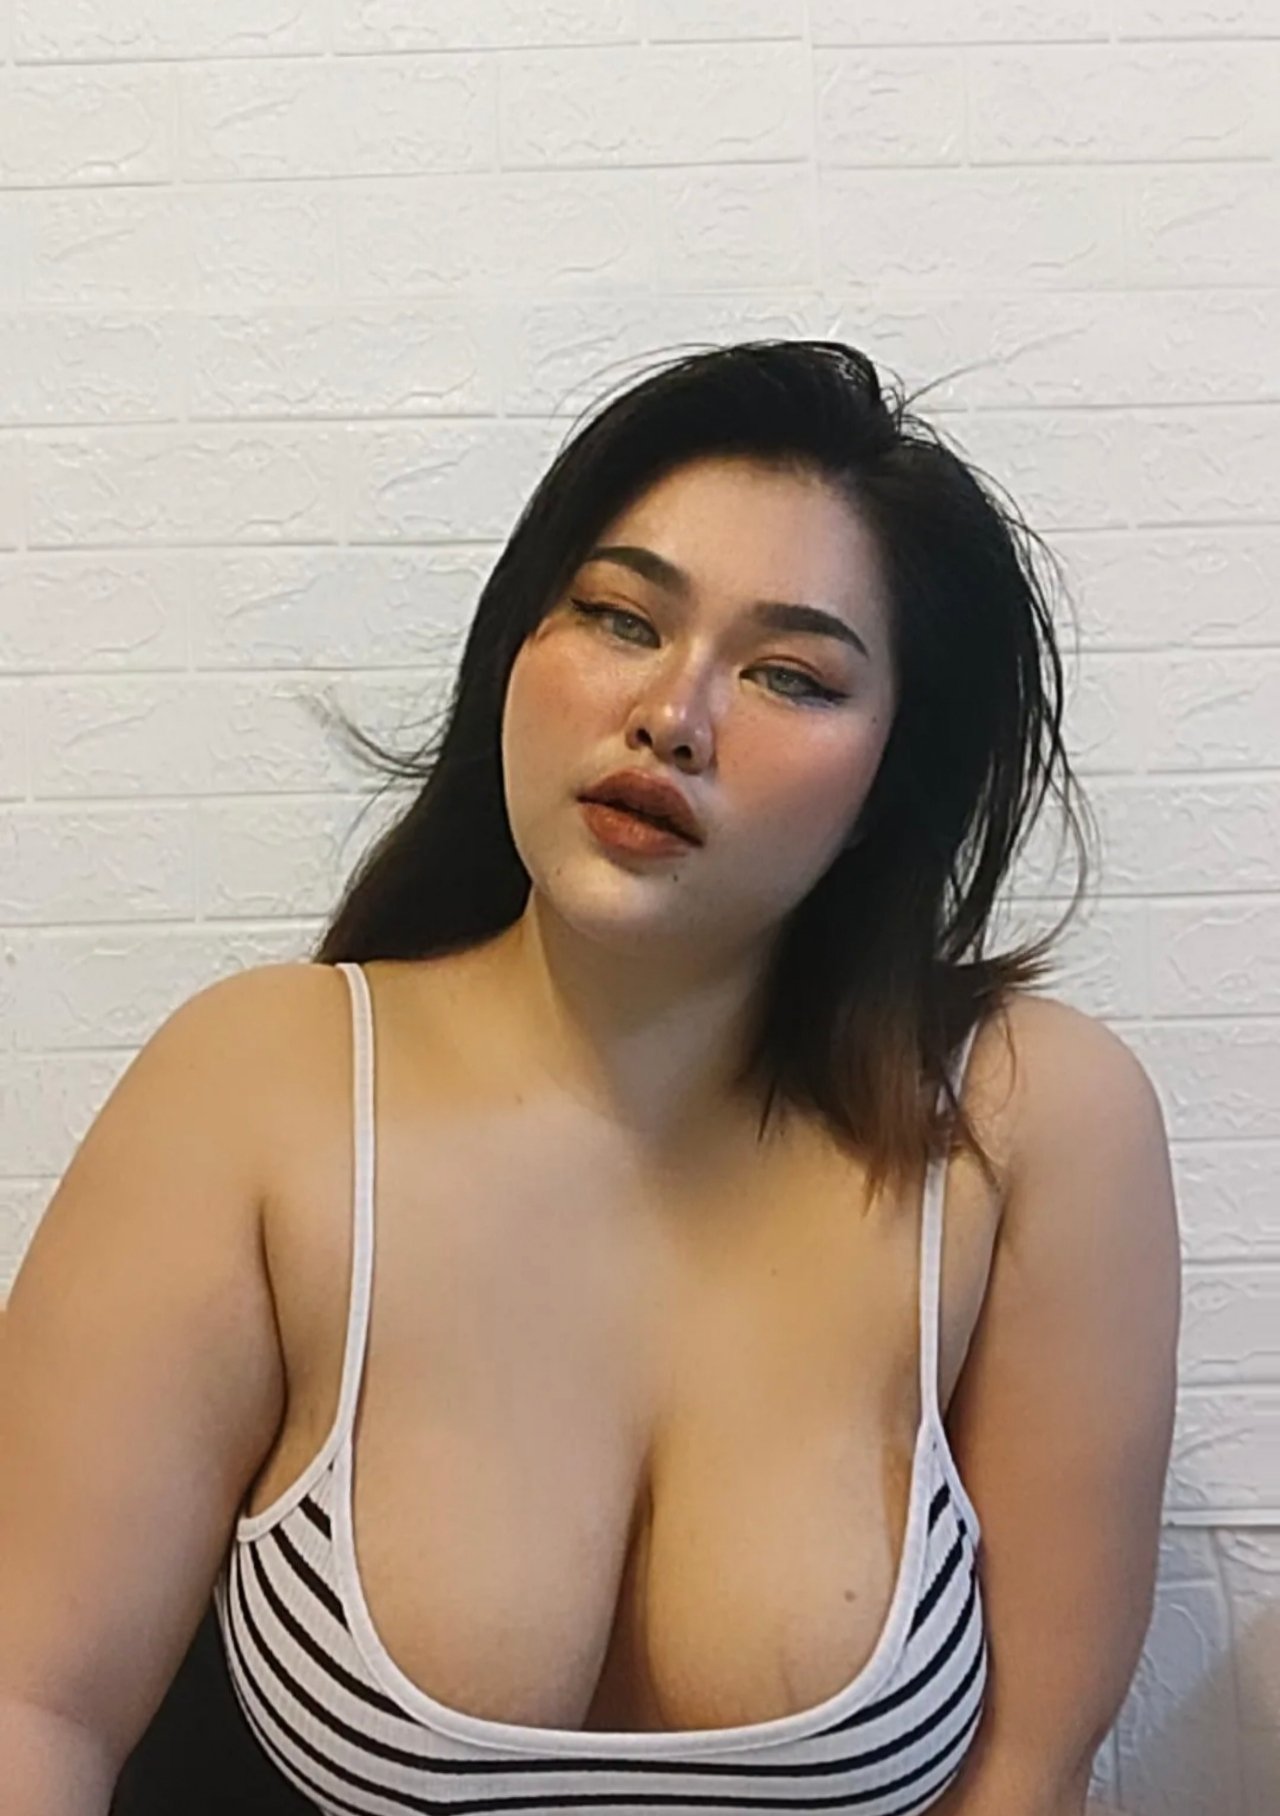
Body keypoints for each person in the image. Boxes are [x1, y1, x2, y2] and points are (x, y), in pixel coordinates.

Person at [0, 340, 1179, 1816]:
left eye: (790, 676)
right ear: (516, 648)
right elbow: (32, 1708)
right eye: (621, 618)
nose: (675, 714)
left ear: (894, 777)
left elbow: (1026, 1775)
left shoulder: (1027, 1125)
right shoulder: (257, 1086)